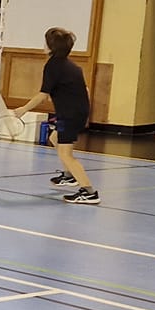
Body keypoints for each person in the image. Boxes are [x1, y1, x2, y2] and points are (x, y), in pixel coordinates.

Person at [6, 26, 97, 205]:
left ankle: (89, 192)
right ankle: (69, 175)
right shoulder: (71, 66)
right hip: (72, 113)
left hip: (70, 116)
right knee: (54, 138)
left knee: (66, 154)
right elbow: (85, 90)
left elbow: (43, 94)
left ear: (51, 47)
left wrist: (24, 109)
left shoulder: (53, 66)